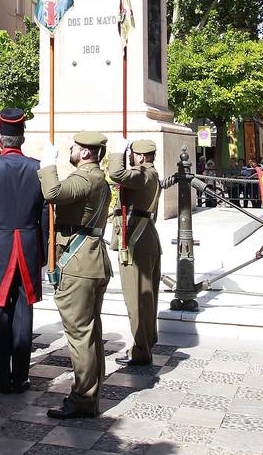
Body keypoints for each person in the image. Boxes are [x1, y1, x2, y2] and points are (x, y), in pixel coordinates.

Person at [0, 109, 46, 395]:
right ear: (22, 137)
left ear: (1, 139)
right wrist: (43, 253)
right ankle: (21, 377)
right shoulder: (37, 168)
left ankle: (1, 377)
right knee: (24, 312)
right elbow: (44, 215)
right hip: (28, 245)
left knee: (0, 311)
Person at [39, 130, 113, 420]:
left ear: (85, 153)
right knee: (91, 332)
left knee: (80, 335)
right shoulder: (99, 179)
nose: (70, 149)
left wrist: (47, 165)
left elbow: (52, 194)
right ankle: (90, 394)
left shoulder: (84, 177)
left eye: (74, 147)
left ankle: (83, 398)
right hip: (92, 259)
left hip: (79, 263)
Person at [109, 138, 161, 367]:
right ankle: (146, 342)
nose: (131, 158)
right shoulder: (151, 173)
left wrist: (119, 152)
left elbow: (116, 173)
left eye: (132, 154)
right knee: (146, 298)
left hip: (137, 242)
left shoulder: (142, 175)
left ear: (140, 157)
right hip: (144, 238)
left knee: (137, 299)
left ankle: (141, 350)